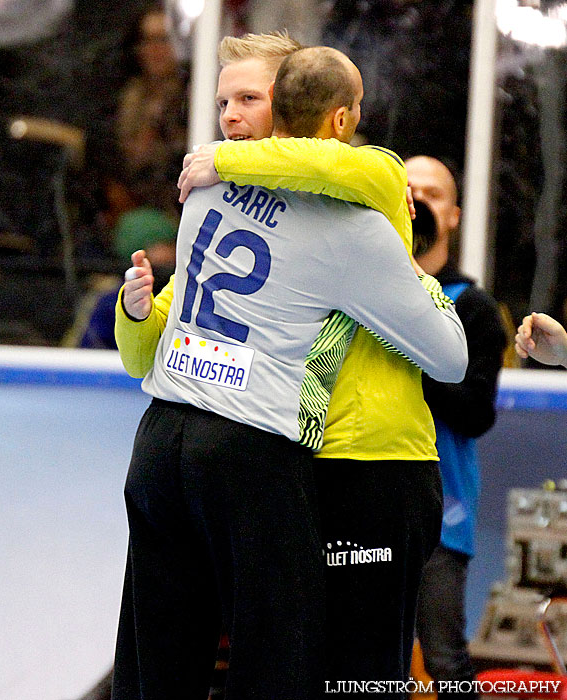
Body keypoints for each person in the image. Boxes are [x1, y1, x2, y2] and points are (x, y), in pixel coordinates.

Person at [112, 45, 467, 700]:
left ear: (290, 108)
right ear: (337, 117)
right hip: (254, 448)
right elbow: (450, 356)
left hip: (173, 442)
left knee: (159, 662)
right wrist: (133, 314)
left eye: (248, 100)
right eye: (223, 103)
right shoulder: (341, 222)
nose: (229, 119)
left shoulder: (207, 187)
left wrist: (222, 161)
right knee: (281, 663)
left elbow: (354, 170)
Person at [404, 155, 506, 700]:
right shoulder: (357, 295)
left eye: (433, 193)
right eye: (408, 189)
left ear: (456, 215)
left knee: (444, 660)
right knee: (361, 663)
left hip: (442, 515)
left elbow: (476, 413)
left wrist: (414, 346)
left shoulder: (475, 309)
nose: (417, 201)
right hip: (365, 507)